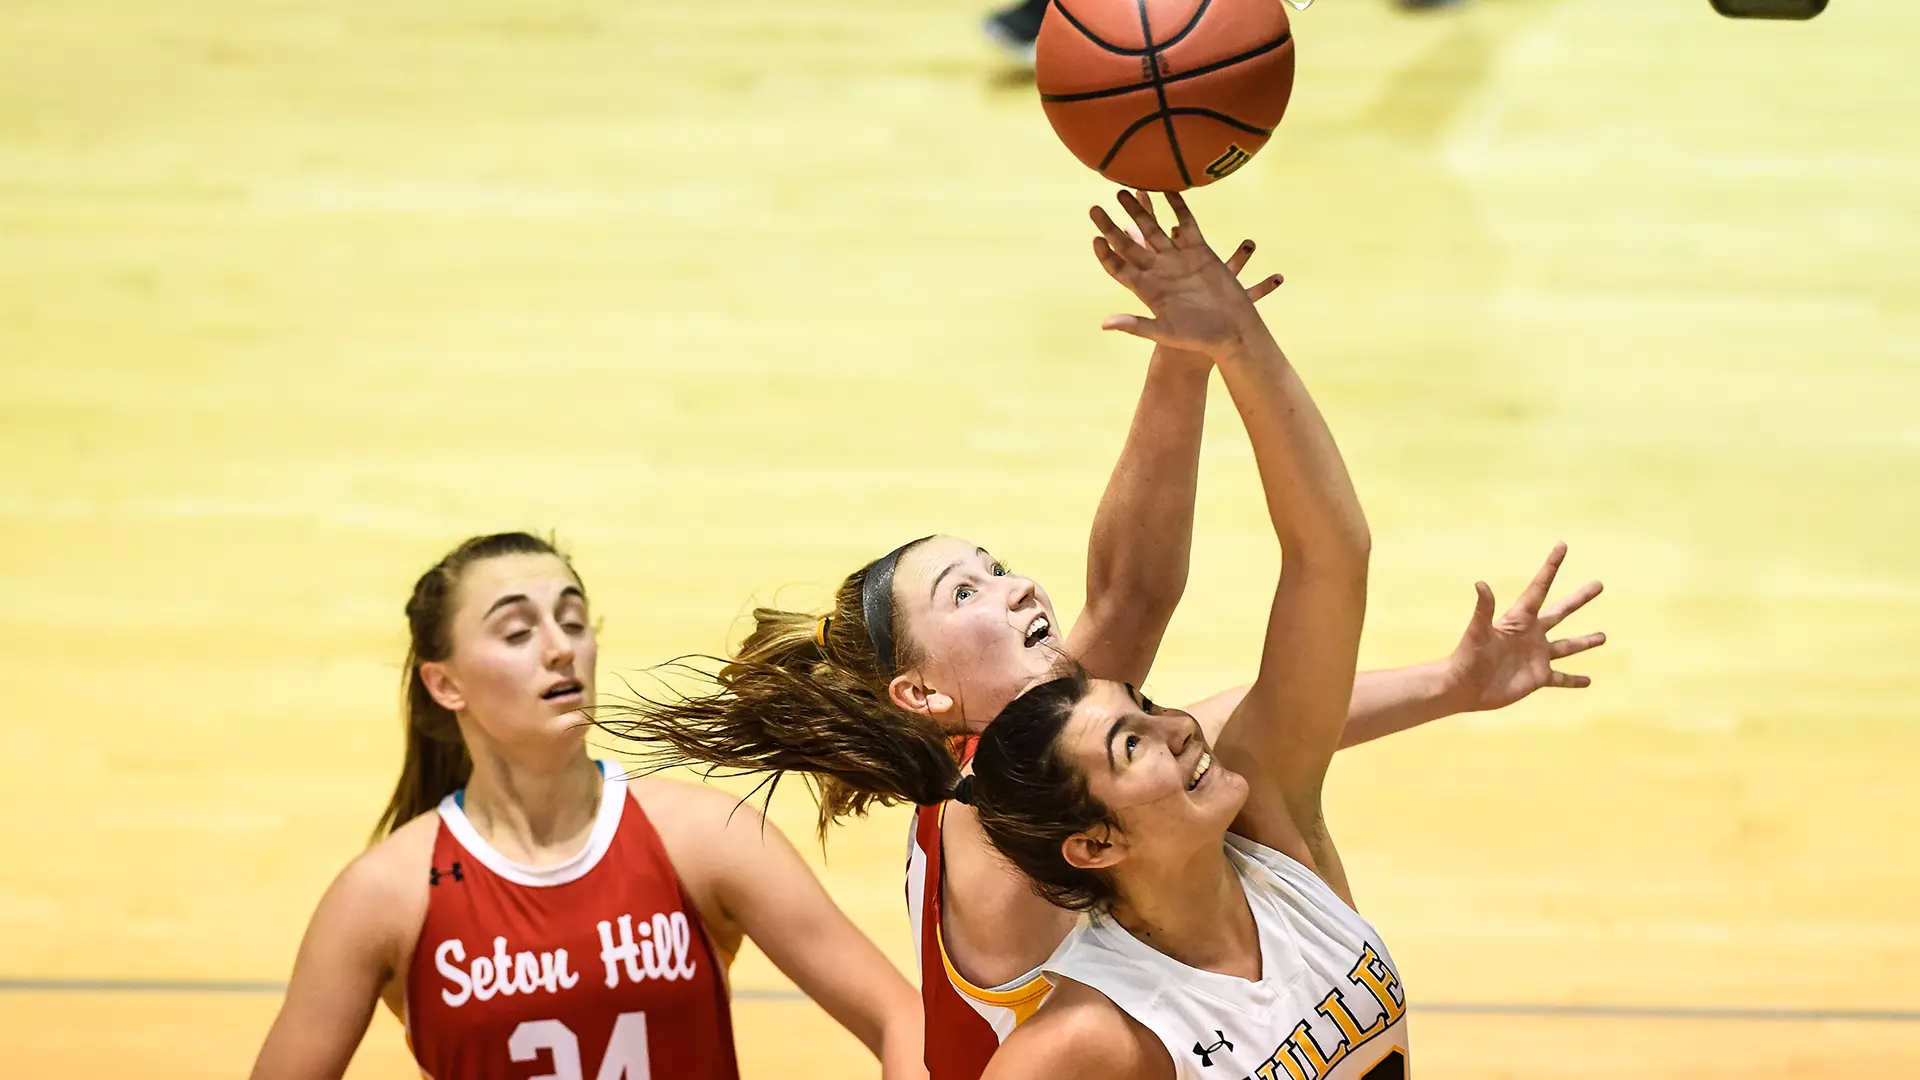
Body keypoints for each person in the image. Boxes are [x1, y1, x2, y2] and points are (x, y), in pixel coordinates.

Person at [597, 193, 1603, 1080]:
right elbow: (1133, 599)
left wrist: (1446, 683)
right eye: (966, 594)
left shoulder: (1079, 779)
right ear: (921, 692)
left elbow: (1228, 708)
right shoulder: (992, 839)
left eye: (994, 562)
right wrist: (1198, 346)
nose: (1015, 584)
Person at [961, 189, 1412, 1078]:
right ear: (1096, 845)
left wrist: (1235, 344)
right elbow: (1135, 589)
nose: (1181, 727)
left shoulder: (1272, 824)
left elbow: (1332, 558)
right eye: (1134, 744)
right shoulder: (1086, 1041)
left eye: (1149, 708)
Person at [249, 532, 924, 1080]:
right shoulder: (384, 895)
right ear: (445, 683)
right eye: (517, 633)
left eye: (573, 621)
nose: (559, 648)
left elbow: (903, 1018)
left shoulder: (705, 838)